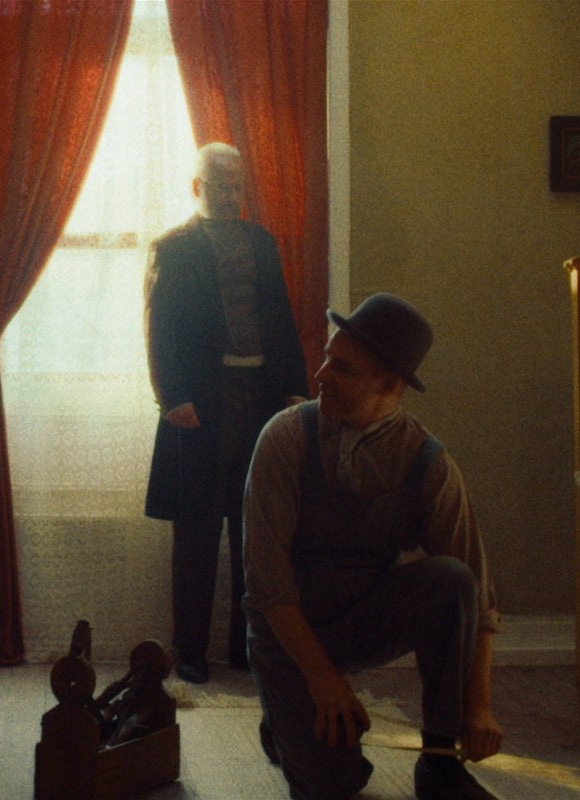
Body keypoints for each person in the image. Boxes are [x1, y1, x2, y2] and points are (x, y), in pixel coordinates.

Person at [242, 293, 503, 800]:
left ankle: (439, 766)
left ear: (389, 385)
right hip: (287, 636)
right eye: (327, 358)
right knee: (331, 786)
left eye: (342, 368)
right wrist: (322, 680)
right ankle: (283, 720)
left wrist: (479, 708)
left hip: (361, 622)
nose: (321, 375)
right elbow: (268, 587)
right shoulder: (284, 438)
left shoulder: (428, 461)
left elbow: (478, 594)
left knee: (452, 581)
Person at [144, 142, 310, 684]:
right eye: (220, 185)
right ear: (198, 187)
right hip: (201, 401)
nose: (231, 194)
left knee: (254, 527)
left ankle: (247, 646)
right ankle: (190, 649)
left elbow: (281, 318)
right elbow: (160, 327)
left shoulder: (263, 244)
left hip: (261, 398)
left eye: (238, 185)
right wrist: (174, 398)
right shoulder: (173, 247)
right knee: (195, 530)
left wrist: (294, 389)